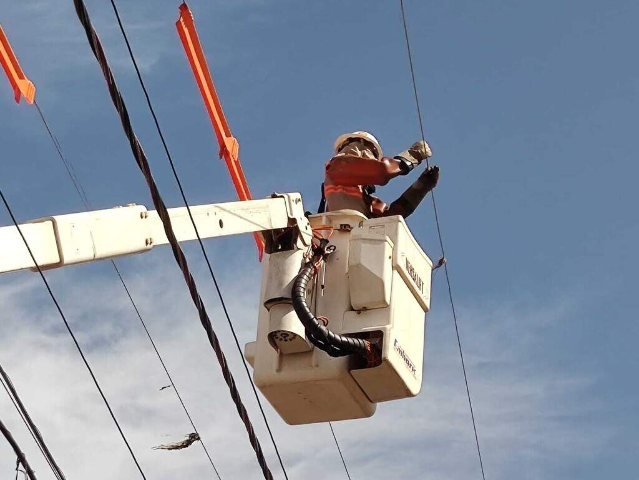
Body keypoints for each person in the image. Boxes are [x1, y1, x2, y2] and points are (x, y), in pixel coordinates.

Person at [321, 131, 439, 218]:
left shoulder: (366, 200)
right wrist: (413, 155)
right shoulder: (337, 167)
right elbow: (382, 171)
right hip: (341, 236)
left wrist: (422, 186)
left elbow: (390, 217)